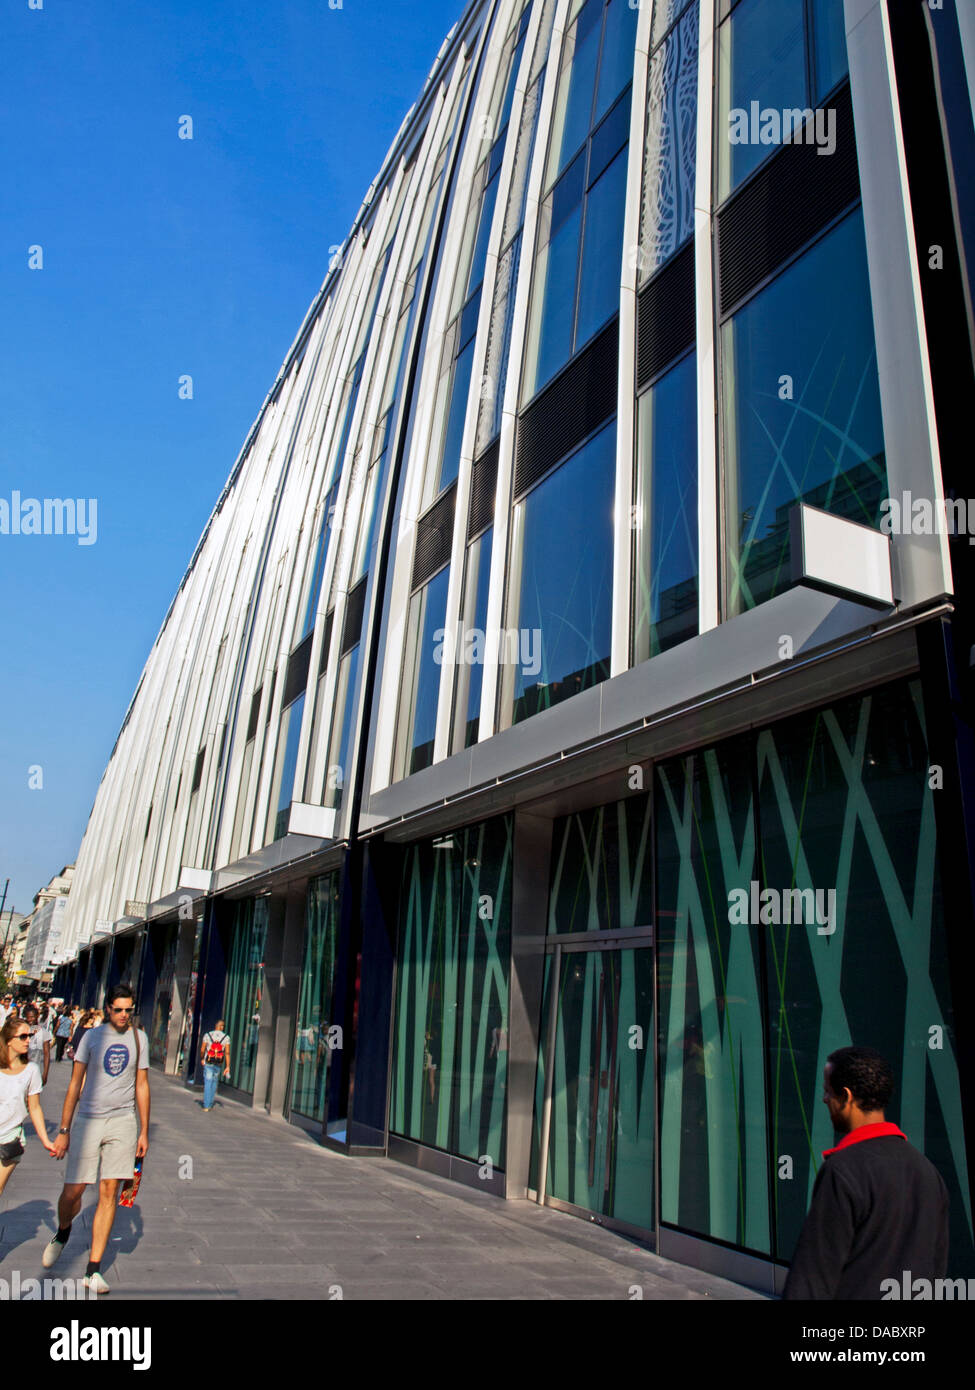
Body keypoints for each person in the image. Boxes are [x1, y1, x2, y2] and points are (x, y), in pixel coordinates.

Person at [783, 1045, 950, 1300]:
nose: (824, 1099)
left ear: (847, 1096)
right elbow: (936, 1270)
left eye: (828, 1091)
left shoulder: (842, 1171)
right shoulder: (927, 1171)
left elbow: (813, 1277)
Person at [42, 983, 150, 1294]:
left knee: (109, 1191)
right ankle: (64, 1231)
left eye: (129, 1010)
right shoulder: (92, 1037)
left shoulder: (139, 1039)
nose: (124, 1015)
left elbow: (142, 1086)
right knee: (73, 1192)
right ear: (108, 1009)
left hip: (122, 1121)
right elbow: (75, 1085)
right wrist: (63, 1131)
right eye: (118, 1009)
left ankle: (93, 1269)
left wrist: (143, 1130)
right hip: (89, 1119)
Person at [0, 1016, 57, 1195]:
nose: (28, 1041)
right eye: (22, 1037)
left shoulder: (31, 1070)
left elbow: (35, 1108)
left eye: (29, 1036)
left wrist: (46, 1140)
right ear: (9, 1041)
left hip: (10, 1138)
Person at [198, 1019, 231, 1111]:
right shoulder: (226, 1037)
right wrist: (227, 1066)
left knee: (208, 1082)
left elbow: (202, 1049)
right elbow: (227, 1053)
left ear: (215, 1026)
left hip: (208, 1062)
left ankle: (206, 1105)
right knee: (214, 1082)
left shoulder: (207, 1035)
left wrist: (202, 1058)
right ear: (221, 1027)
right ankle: (211, 1102)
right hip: (218, 1063)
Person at [22, 1004, 52, 1087]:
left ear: (37, 1016)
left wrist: (45, 1073)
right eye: (28, 1017)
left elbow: (47, 1054)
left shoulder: (43, 1032)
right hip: (20, 1069)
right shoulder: (22, 1030)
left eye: (33, 1017)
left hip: (34, 1070)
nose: (30, 1019)